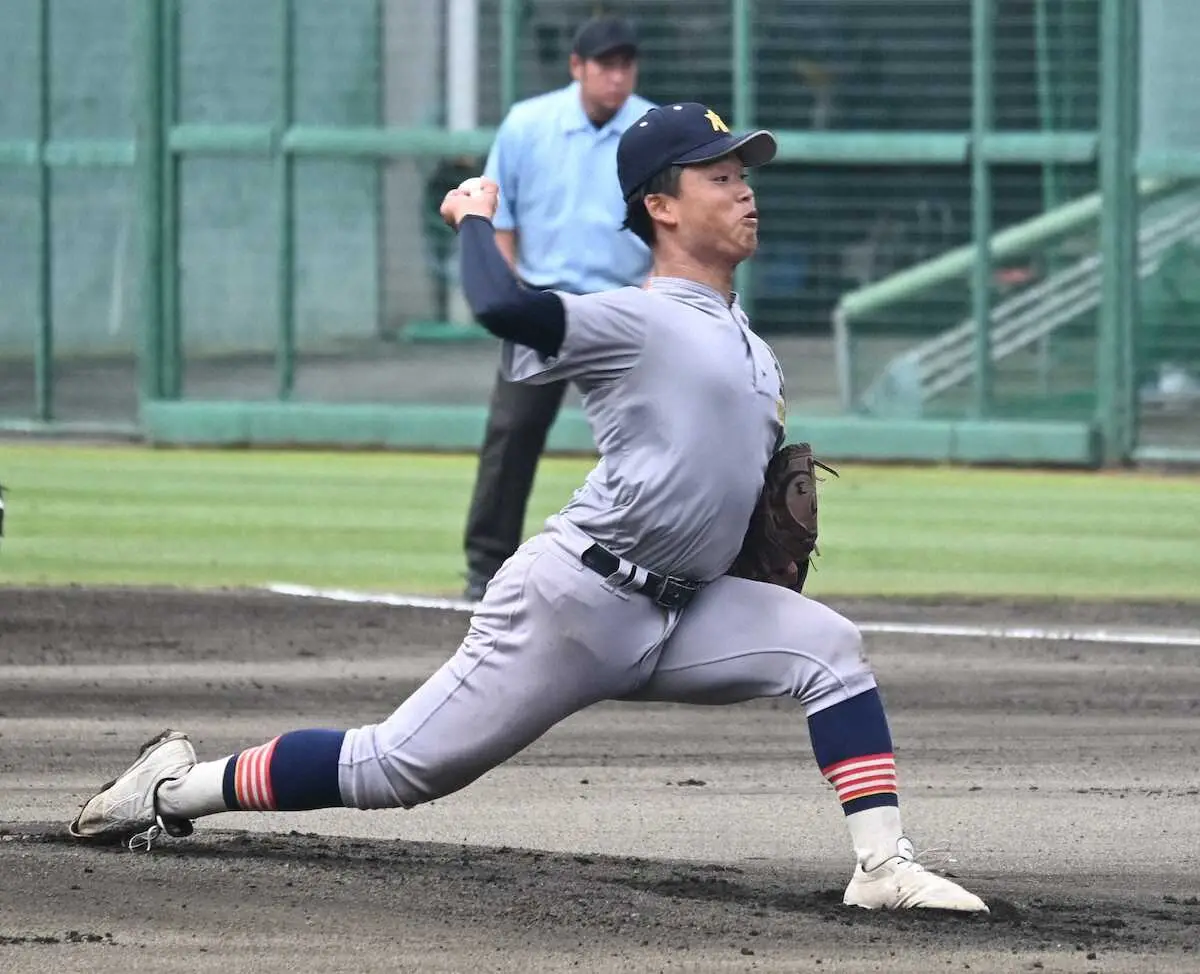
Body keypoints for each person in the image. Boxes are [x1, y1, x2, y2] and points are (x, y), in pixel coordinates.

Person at [67, 102, 988, 914]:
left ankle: (880, 865)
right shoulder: (634, 317)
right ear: (661, 207)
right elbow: (504, 306)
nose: (744, 190)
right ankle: (176, 791)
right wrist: (477, 219)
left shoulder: (750, 344)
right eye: (719, 176)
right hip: (573, 605)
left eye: (744, 174)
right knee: (391, 769)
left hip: (683, 609)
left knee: (828, 649)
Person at [461, 14, 655, 601]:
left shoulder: (649, 128)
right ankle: (483, 570)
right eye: (605, 65)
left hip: (623, 307)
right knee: (512, 431)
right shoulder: (528, 124)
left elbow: (669, 218)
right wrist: (512, 289)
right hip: (544, 306)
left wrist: (654, 291)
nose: (617, 77)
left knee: (649, 442)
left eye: (626, 64)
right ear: (577, 67)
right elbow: (499, 212)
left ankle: (650, 569)